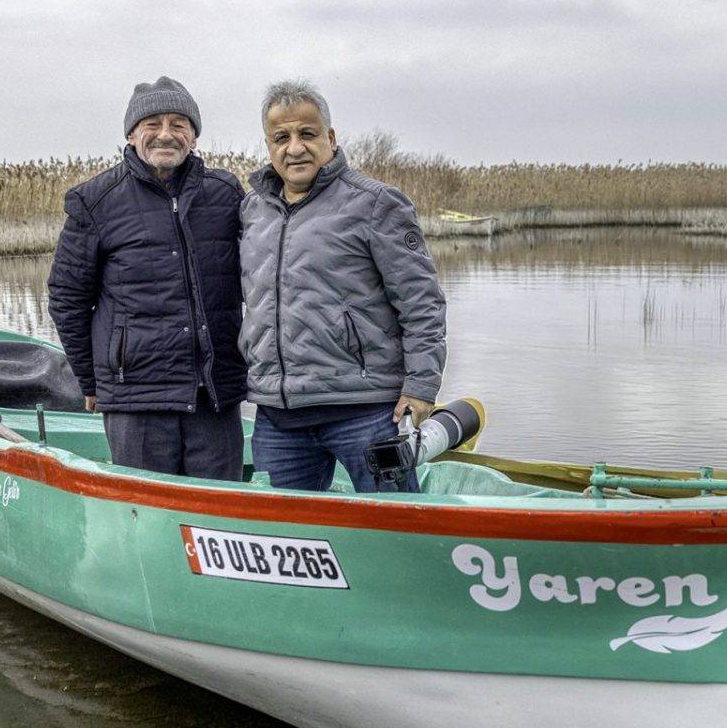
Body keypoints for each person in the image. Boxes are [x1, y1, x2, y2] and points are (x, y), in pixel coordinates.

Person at [240, 79, 446, 492]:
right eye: (281, 137)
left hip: (365, 413)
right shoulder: (251, 211)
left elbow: (421, 302)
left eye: (307, 134)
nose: (294, 147)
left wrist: (422, 386)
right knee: (287, 543)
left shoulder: (375, 204)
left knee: (395, 532)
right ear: (268, 146)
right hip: (279, 421)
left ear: (330, 138)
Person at [47, 76, 247, 480]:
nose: (165, 135)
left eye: (178, 124)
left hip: (214, 395)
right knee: (146, 516)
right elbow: (67, 298)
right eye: (153, 124)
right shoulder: (95, 201)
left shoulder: (225, 193)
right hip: (136, 399)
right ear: (132, 133)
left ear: (193, 134)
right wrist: (91, 381)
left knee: (218, 518)